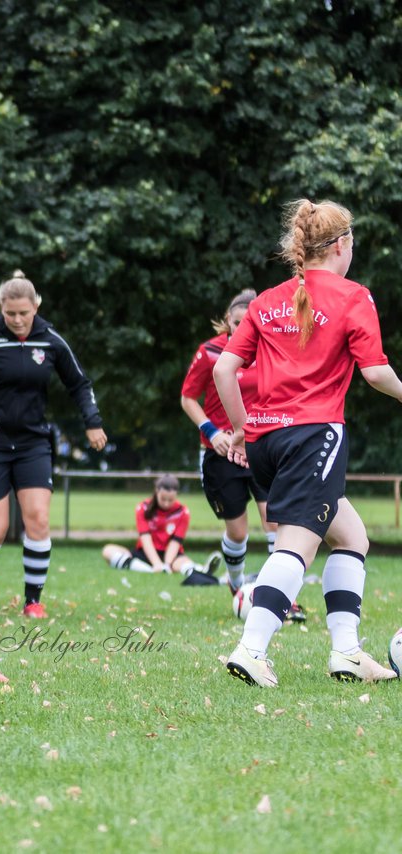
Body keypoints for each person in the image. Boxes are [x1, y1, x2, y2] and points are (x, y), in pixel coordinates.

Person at [216, 199, 399, 687]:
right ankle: (251, 648)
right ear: (341, 245)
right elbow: (377, 372)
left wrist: (241, 428)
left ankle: (347, 652)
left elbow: (223, 369)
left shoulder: (266, 299)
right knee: (295, 545)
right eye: (352, 243)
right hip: (314, 437)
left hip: (267, 443)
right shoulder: (352, 296)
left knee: (351, 536)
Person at [0, 271, 106, 618]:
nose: (17, 320)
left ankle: (33, 601)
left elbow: (79, 383)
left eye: (24, 313)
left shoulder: (51, 341)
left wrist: (92, 422)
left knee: (38, 520)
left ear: (36, 307)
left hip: (33, 441)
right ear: (1, 308)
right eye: (10, 313)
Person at [180, 291, 300, 609]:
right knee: (238, 531)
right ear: (227, 321)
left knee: (274, 521)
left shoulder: (273, 352)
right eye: (237, 323)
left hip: (261, 449)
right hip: (221, 453)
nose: (242, 329)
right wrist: (212, 431)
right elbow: (188, 398)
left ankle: (282, 597)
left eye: (250, 322)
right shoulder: (209, 353)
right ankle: (237, 588)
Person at [100, 475, 217, 582]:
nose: (166, 504)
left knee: (182, 564)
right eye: (163, 499)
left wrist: (166, 563)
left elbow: (176, 542)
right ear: (156, 492)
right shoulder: (143, 507)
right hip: (145, 553)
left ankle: (202, 570)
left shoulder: (183, 512)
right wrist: (156, 564)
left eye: (170, 500)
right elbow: (145, 539)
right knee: (108, 550)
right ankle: (150, 570)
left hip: (171, 554)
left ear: (176, 495)